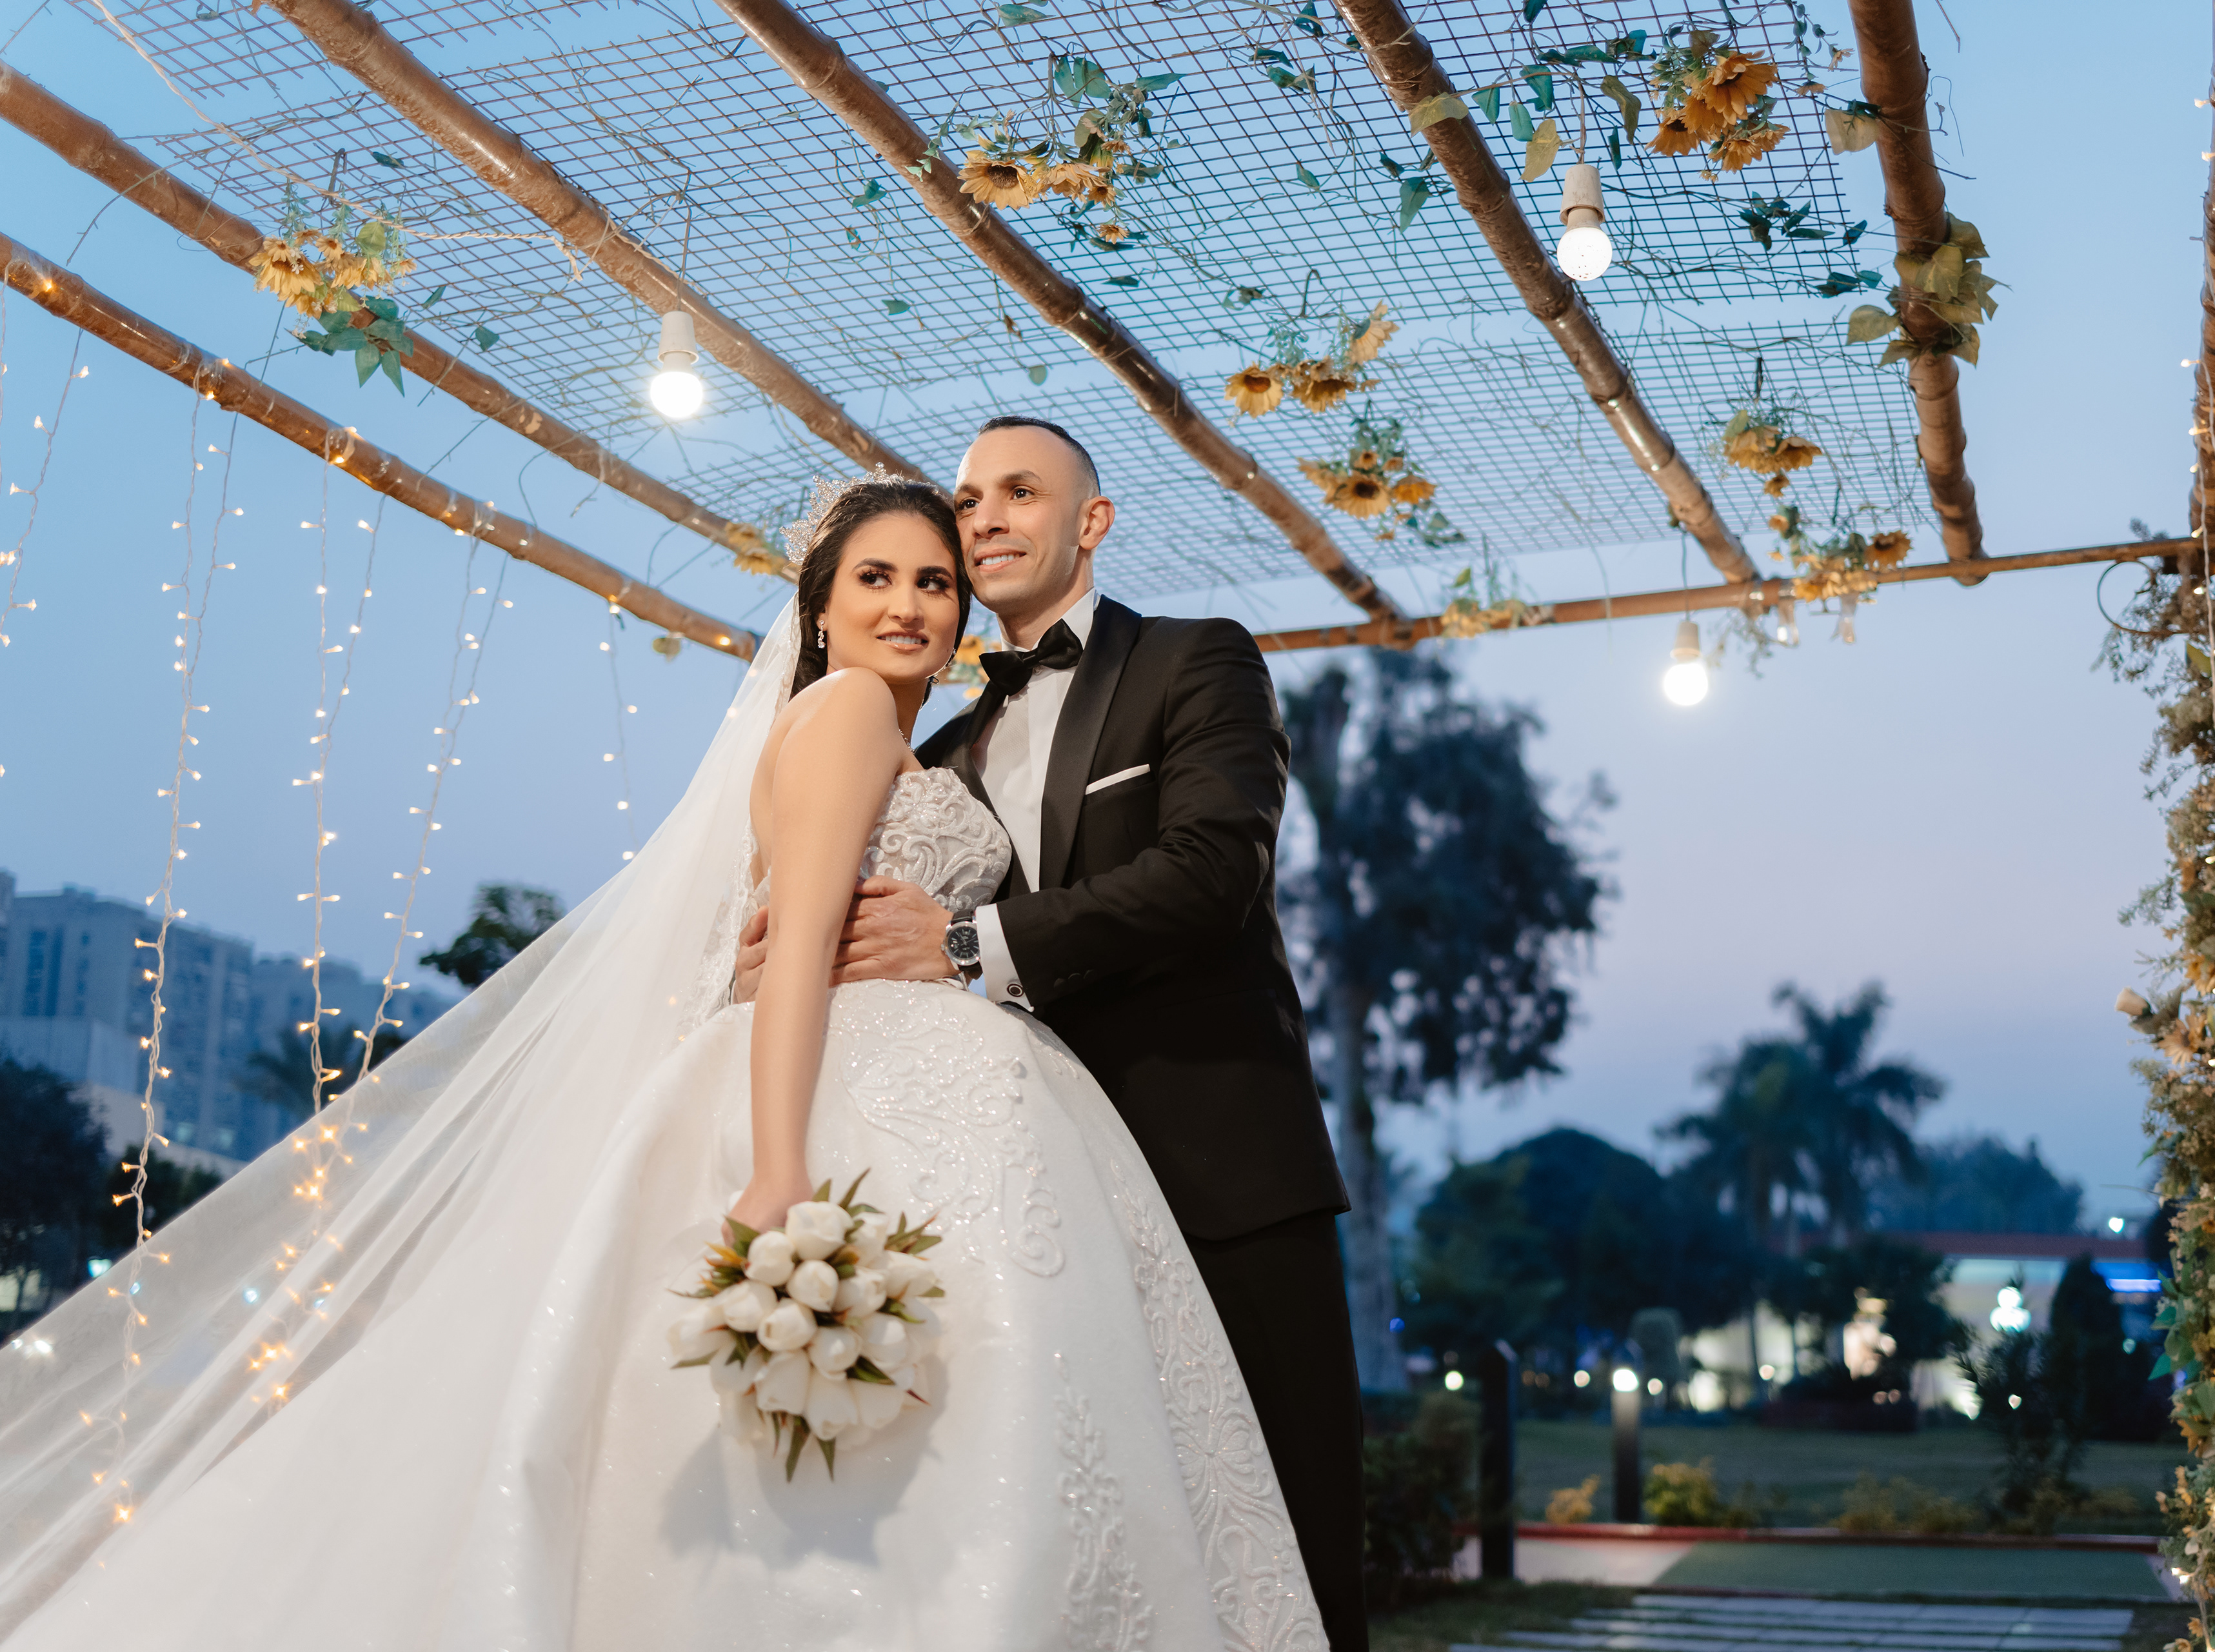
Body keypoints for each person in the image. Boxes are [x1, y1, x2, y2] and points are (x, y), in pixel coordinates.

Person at [0, 477, 1327, 1650]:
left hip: (966, 1099)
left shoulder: (925, 737)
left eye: (934, 579)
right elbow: (799, 946)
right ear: (820, 611)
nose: (914, 602)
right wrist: (782, 1176)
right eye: (877, 577)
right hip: (850, 1101)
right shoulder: (853, 712)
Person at [736, 417, 1366, 1650]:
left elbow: (1211, 871)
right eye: (968, 500)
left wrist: (965, 944)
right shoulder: (938, 748)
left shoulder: (1198, 661)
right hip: (1030, 1205)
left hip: (1220, 1176)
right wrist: (769, 953)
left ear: (1093, 521)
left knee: (1282, 1536)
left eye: (1021, 492)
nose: (985, 521)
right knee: (1094, 1539)